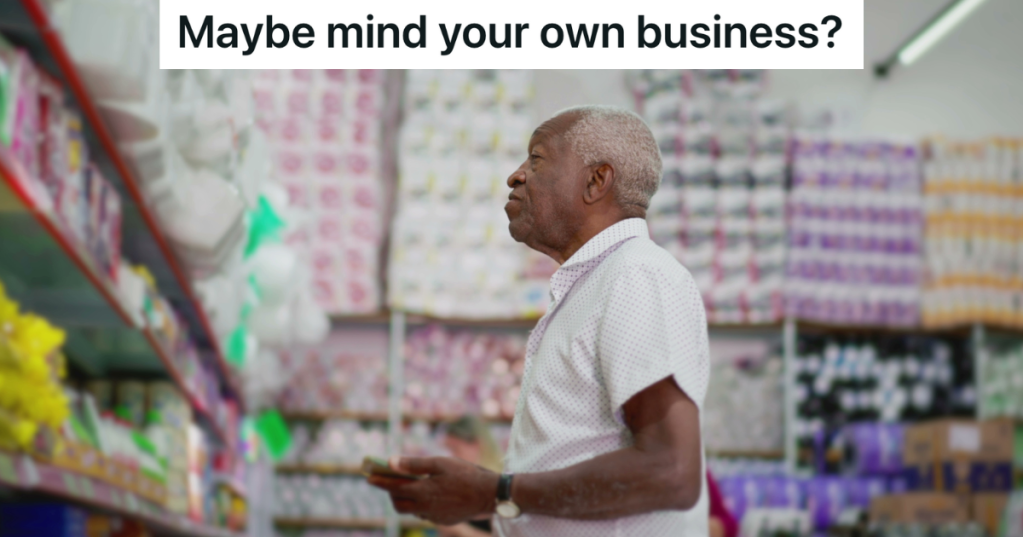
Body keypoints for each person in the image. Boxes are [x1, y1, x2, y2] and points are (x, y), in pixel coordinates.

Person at [370, 105, 710, 537]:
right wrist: (485, 498)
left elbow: (671, 471)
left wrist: (495, 491)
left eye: (536, 159)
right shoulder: (595, 285)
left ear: (596, 181)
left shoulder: (635, 275)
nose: (515, 176)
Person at [435, 416, 504, 537]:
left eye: (455, 449)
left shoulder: (503, 486)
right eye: (447, 450)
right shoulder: (457, 484)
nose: (450, 456)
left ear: (476, 444)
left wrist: (464, 532)